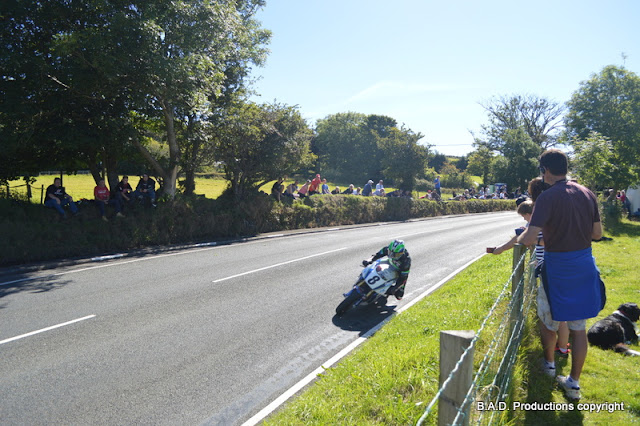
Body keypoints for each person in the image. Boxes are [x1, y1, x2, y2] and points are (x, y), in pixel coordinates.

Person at [518, 149, 603, 400]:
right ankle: (574, 383)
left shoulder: (547, 197)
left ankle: (549, 364)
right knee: (578, 328)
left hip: (557, 268)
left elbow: (529, 238)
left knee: (548, 319)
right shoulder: (587, 193)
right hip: (584, 264)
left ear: (544, 170)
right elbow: (597, 234)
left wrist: (520, 239)